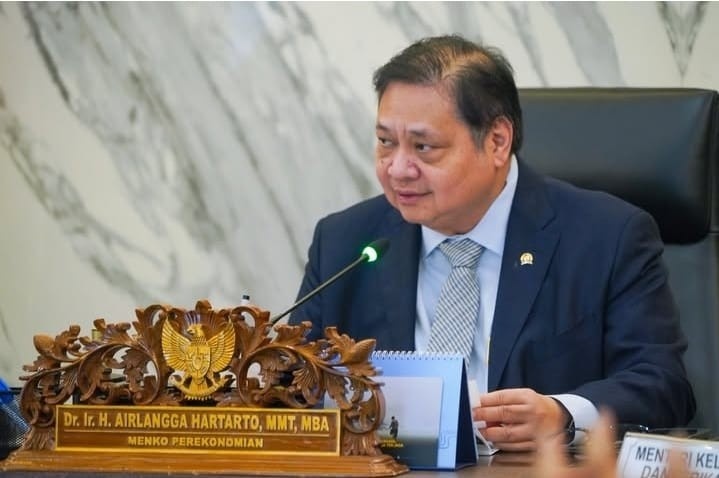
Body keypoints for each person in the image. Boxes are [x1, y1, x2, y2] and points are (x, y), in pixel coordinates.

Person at [289, 34, 695, 451]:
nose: (397, 169)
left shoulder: (606, 237)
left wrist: (563, 415)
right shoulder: (344, 243)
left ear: (497, 141)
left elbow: (662, 385)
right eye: (386, 142)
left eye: (424, 147)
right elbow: (290, 384)